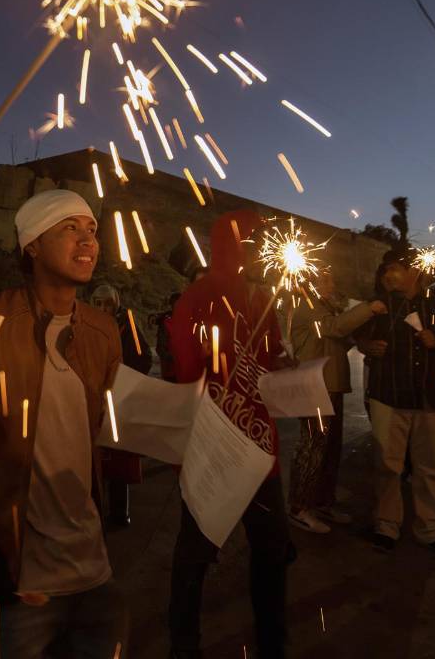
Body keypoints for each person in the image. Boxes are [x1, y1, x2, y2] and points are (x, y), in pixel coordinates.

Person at [0, 188, 126, 658]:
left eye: (92, 229)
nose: (88, 240)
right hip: (14, 581)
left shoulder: (103, 330)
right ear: (32, 244)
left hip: (94, 573)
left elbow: (102, 426)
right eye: (69, 228)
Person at [168, 210, 292, 659]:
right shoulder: (200, 299)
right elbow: (186, 373)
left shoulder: (258, 299)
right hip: (219, 446)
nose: (258, 251)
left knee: (251, 555)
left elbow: (270, 361)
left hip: (254, 450)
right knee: (204, 556)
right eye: (252, 243)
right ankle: (203, 646)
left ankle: (257, 644)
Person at [354, 247, 435, 556]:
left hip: (432, 399)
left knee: (429, 468)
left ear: (415, 272)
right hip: (388, 397)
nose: (389, 275)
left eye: (396, 268)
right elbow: (359, 339)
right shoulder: (378, 307)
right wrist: (368, 347)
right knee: (387, 466)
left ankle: (430, 529)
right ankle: (386, 525)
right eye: (385, 270)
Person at [285, 271, 386, 533]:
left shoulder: (325, 308)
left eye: (331, 279)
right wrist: (369, 309)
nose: (332, 284)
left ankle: (321, 502)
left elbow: (342, 337)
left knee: (329, 450)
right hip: (315, 387)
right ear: (310, 284)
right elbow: (334, 328)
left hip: (331, 386)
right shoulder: (306, 307)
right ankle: (298, 507)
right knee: (312, 449)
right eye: (325, 280)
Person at [90, 283, 149, 529]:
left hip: (120, 398)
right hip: (96, 398)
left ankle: (118, 513)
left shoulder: (128, 325)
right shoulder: (88, 324)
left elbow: (143, 357)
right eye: (98, 303)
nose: (103, 308)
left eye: (108, 304)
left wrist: (123, 379)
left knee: (117, 459)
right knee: (95, 457)